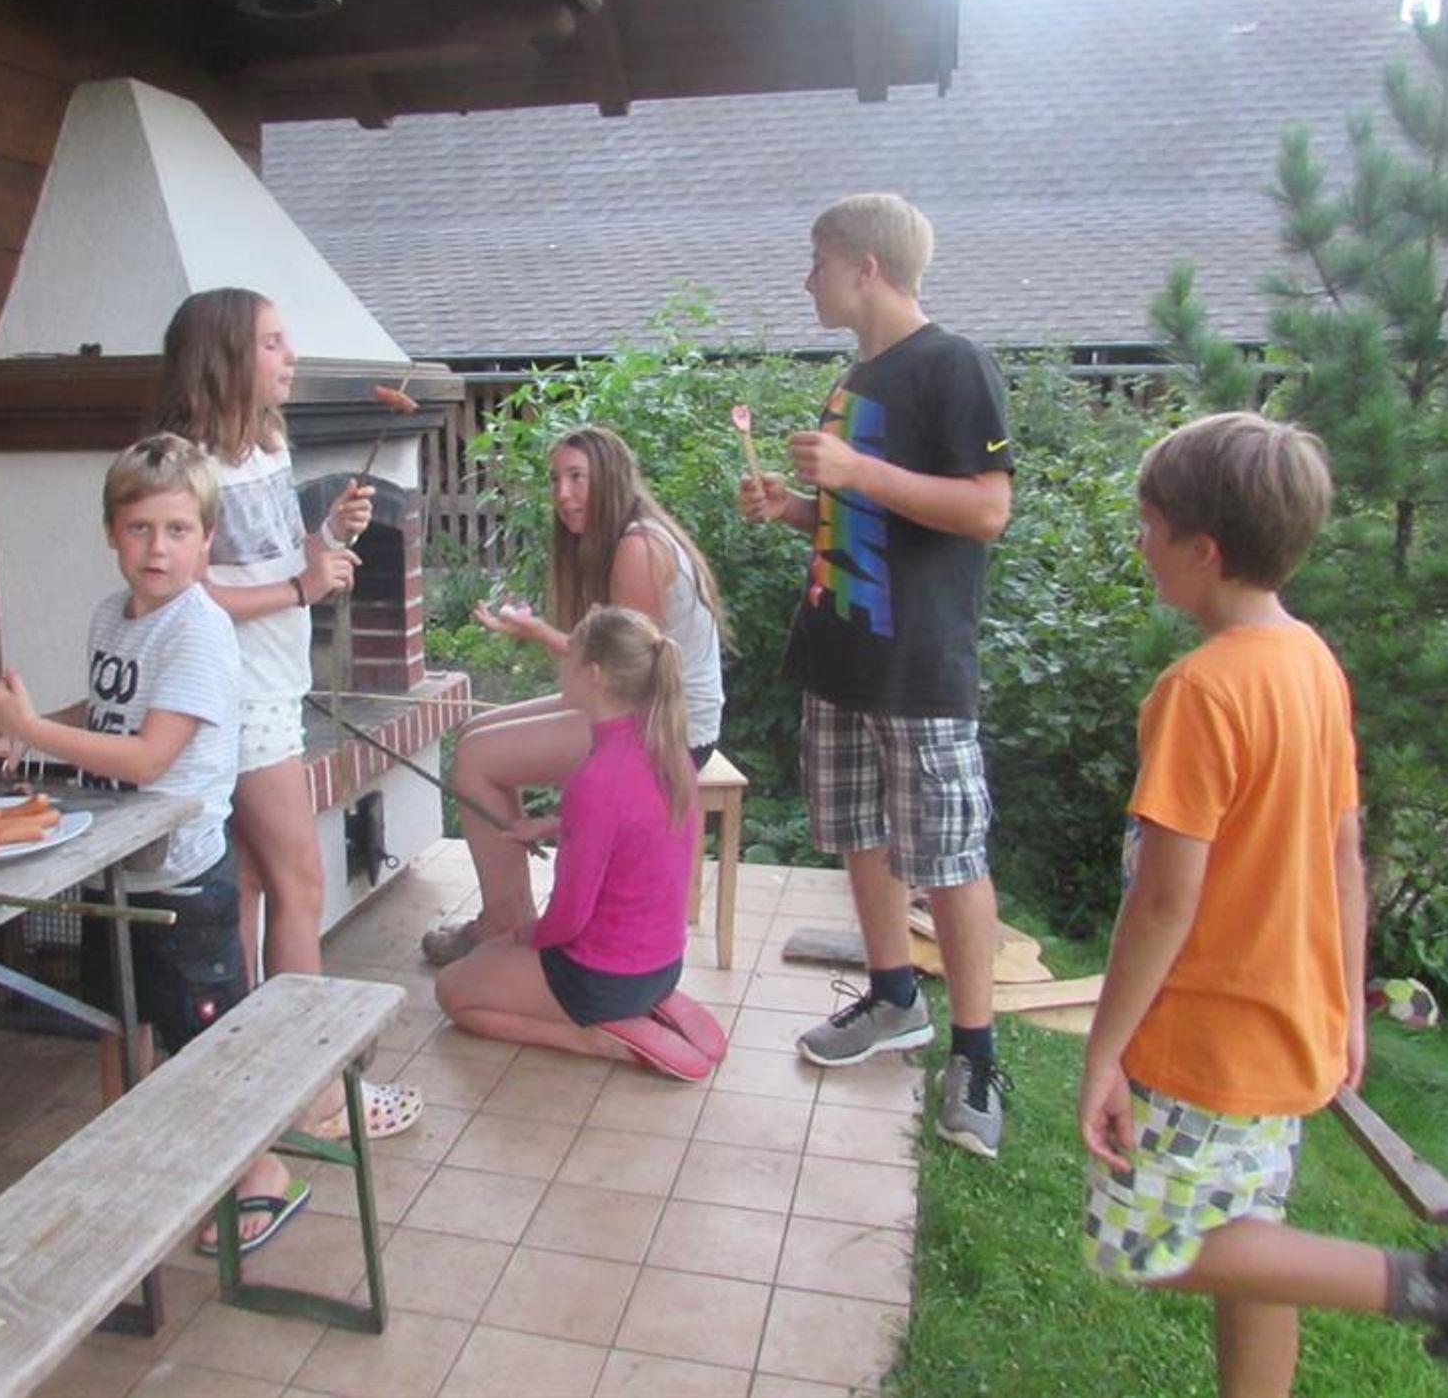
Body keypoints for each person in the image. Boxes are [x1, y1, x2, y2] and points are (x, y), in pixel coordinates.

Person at [1078, 410, 1448, 1398]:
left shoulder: (1201, 691)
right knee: (1253, 1244)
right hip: (1288, 1020)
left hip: (1205, 1040)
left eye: (1148, 525)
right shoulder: (1309, 660)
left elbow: (1164, 902)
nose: (1139, 542)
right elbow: (1345, 853)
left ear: (1202, 551)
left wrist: (1102, 1051)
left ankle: (1445, 1288)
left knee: (1153, 1246)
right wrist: (1345, 1006)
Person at [0, 434, 305, 1253]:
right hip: (116, 867)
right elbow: (109, 713)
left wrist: (31, 726)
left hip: (183, 881)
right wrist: (25, 738)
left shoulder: (198, 630)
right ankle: (126, 1158)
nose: (158, 549)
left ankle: (262, 1170)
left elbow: (152, 757)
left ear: (206, 538)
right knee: (115, 1021)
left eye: (178, 530)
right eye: (140, 529)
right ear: (110, 534)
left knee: (208, 1038)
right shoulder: (112, 618)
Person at [737, 192, 1014, 1158]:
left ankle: (976, 1055)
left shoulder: (954, 364)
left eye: (817, 260)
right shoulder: (854, 378)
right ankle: (895, 999)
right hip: (840, 653)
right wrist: (795, 508)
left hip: (920, 665)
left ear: (866, 266)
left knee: (949, 858)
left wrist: (855, 473)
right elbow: (863, 519)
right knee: (858, 834)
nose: (806, 278)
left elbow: (986, 511)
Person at [155, 287, 421, 1141]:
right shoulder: (187, 468)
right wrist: (304, 587)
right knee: (300, 887)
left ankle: (245, 1082)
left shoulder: (265, 448)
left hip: (269, 687)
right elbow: (189, 595)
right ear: (227, 357)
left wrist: (326, 538)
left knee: (246, 888)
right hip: (236, 700)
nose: (291, 355)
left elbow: (274, 561)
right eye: (272, 342)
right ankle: (313, 1098)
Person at [421, 425, 728, 966]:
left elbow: (625, 672)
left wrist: (538, 633)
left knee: (476, 759)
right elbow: (609, 668)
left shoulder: (638, 548)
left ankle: (503, 923)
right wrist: (536, 630)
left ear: (610, 478)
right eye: (556, 480)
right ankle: (509, 913)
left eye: (577, 477)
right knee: (473, 734)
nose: (563, 494)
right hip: (640, 708)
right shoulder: (628, 536)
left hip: (668, 729)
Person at [435, 606, 728, 1077]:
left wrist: (527, 936)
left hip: (601, 976)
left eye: (569, 656)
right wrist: (553, 824)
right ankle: (641, 1007)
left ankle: (601, 1037)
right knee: (493, 959)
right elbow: (633, 825)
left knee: (454, 991)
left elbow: (569, 918)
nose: (561, 666)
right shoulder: (666, 749)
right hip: (663, 964)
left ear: (593, 675)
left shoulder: (596, 779)